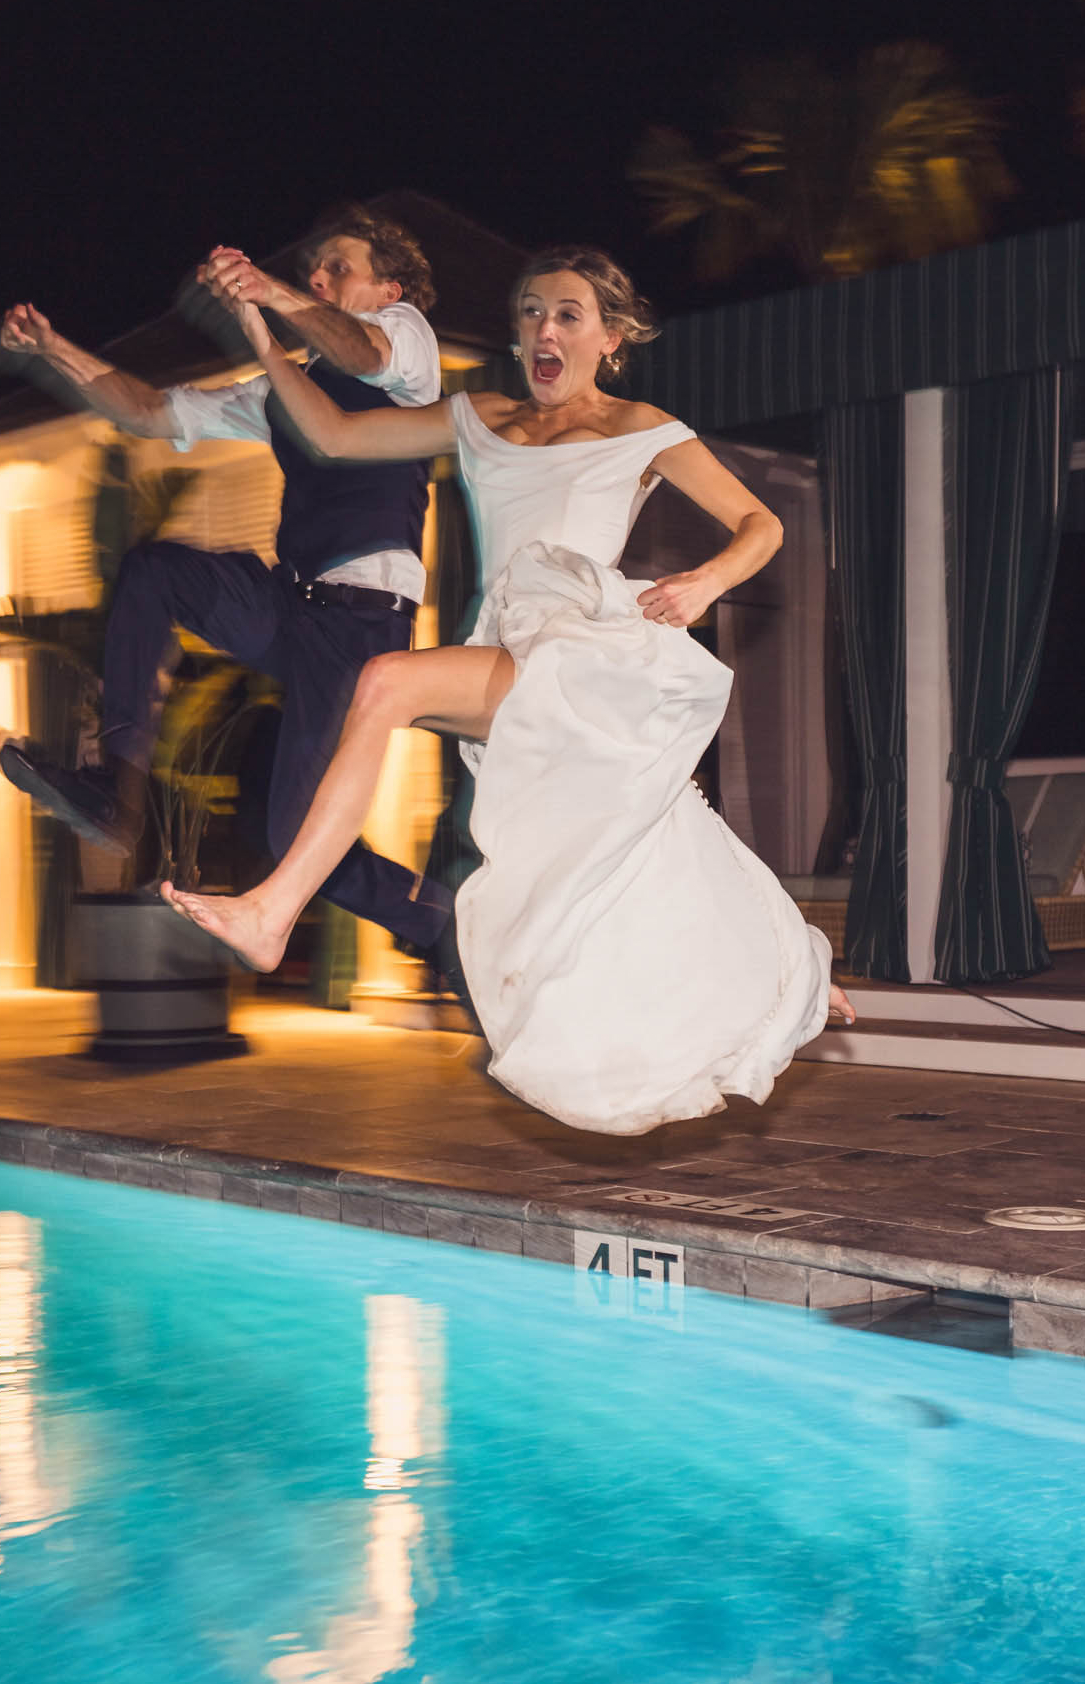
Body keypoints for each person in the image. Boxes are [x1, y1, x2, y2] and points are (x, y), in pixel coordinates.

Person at [161, 246, 854, 1135]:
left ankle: (271, 910)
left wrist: (707, 582)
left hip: (584, 651)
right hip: (509, 648)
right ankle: (787, 974)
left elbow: (763, 524)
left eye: (567, 314)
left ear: (610, 336)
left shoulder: (644, 428)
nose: (543, 330)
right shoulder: (482, 417)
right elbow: (332, 434)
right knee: (633, 835)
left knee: (386, 681)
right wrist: (258, 327)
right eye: (529, 313)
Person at [0, 205, 451, 954]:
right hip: (287, 605)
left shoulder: (407, 345)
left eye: (340, 267)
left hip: (359, 625)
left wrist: (269, 294)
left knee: (292, 835)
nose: (320, 278)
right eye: (315, 269)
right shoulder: (281, 391)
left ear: (388, 288)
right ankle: (115, 790)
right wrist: (53, 349)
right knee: (153, 573)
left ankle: (440, 921)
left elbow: (362, 354)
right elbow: (148, 412)